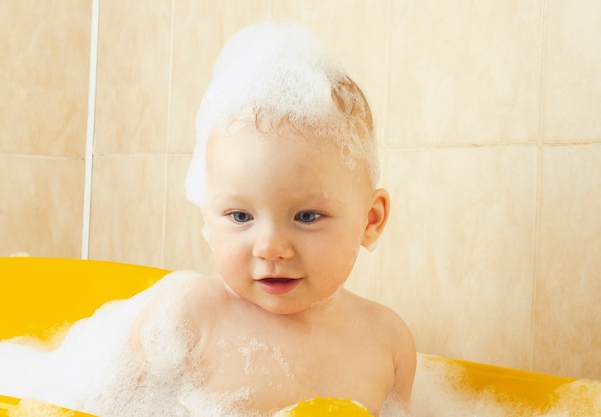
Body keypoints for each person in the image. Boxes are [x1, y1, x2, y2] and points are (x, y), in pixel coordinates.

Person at [130, 21, 416, 417]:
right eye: (240, 215)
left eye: (307, 216)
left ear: (371, 220)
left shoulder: (387, 343)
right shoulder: (184, 320)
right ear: (208, 219)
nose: (270, 247)